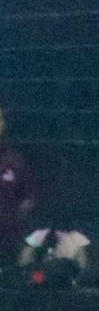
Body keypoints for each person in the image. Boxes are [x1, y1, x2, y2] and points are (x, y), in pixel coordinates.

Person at [0, 103, 34, 264]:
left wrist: (10, 221)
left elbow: (27, 198)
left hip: (7, 241)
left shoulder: (15, 160)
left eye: (0, 119)